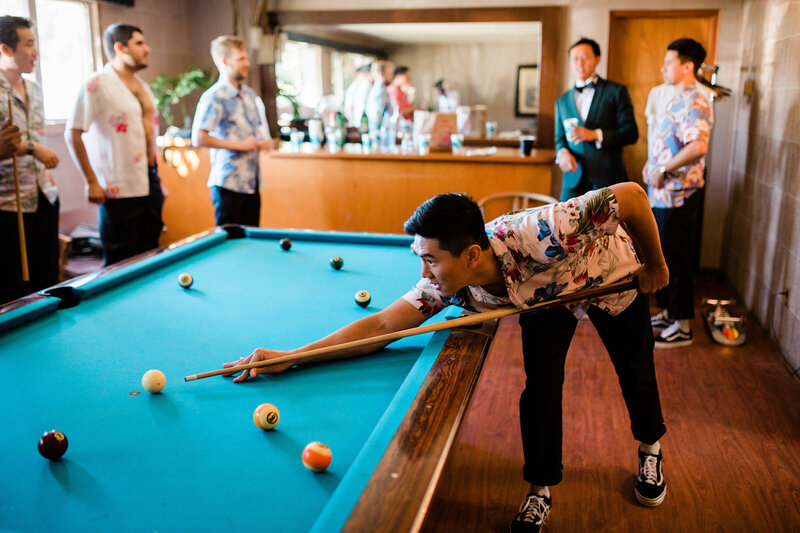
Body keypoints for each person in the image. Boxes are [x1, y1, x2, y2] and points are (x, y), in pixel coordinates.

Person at [223, 182, 671, 532]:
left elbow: (631, 196)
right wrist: (293, 356)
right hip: (543, 300)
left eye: (431, 260)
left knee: (634, 369)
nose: (424, 273)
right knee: (541, 388)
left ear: (471, 254)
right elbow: (382, 326)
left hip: (611, 274)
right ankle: (541, 489)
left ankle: (650, 448)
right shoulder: (447, 283)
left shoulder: (543, 228)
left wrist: (656, 263)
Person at [66, 23, 163, 266]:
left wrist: (158, 180)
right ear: (120, 48)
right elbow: (74, 132)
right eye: (139, 43)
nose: (147, 49)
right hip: (117, 185)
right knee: (121, 258)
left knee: (150, 252)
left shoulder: (142, 86)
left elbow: (149, 133)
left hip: (149, 179)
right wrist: (91, 181)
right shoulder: (96, 84)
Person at [643, 38, 712, 349]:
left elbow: (698, 146)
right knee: (665, 255)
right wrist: (651, 166)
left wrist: (664, 169)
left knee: (677, 258)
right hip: (662, 192)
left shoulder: (696, 100)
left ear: (687, 66)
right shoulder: (675, 97)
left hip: (678, 192)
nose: (663, 67)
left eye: (668, 62)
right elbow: (665, 139)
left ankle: (683, 326)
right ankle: (670, 314)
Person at [0, 16, 60, 305]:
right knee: (10, 289)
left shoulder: (35, 90)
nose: (35, 52)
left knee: (47, 280)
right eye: (29, 44)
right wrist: (33, 148)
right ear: (5, 49)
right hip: (8, 203)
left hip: (43, 193)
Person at [192, 35, 274, 227]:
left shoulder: (250, 95)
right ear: (225, 61)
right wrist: (240, 146)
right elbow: (199, 138)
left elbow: (256, 132)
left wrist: (264, 143)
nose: (247, 63)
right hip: (228, 185)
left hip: (252, 184)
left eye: (246, 58)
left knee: (252, 244)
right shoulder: (214, 97)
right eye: (241, 59)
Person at [554, 38, 638, 201]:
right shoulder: (562, 101)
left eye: (585, 57)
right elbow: (559, 139)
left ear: (597, 59)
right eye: (575, 58)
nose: (580, 63)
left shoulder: (616, 91)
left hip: (608, 179)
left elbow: (631, 133)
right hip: (573, 181)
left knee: (608, 227)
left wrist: (595, 134)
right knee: (564, 225)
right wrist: (562, 153)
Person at [365, 60, 394, 131]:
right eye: (389, 73)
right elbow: (378, 117)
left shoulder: (376, 89)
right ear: (381, 74)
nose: (392, 76)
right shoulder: (380, 91)